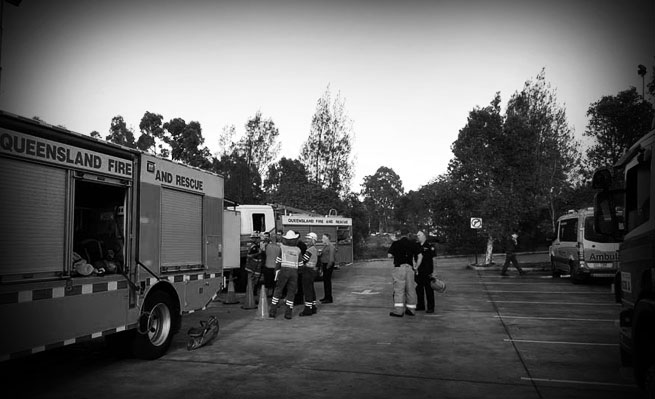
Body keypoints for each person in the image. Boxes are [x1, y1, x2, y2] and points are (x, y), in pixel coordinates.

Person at [387, 227, 421, 317]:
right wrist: (416, 266)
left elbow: (389, 255)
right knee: (411, 289)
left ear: (400, 234)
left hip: (399, 268)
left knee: (399, 290)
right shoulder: (412, 243)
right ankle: (411, 310)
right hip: (410, 268)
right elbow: (420, 255)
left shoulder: (396, 243)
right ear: (408, 234)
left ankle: (398, 311)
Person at [269, 230, 302, 320]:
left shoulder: (282, 248)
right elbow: (301, 264)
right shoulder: (298, 250)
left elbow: (278, 260)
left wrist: (276, 270)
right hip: (294, 273)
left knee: (278, 291)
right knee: (291, 293)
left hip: (284, 271)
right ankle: (288, 314)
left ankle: (272, 312)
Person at [415, 230, 436, 313]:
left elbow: (434, 259)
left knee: (429, 290)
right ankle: (421, 305)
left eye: (419, 235)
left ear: (424, 236)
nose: (417, 236)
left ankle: (430, 307)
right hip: (418, 271)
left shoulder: (430, 246)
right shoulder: (416, 246)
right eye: (417, 235)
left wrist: (435, 271)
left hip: (428, 271)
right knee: (419, 289)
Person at [300, 232, 319, 316]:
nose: (306, 240)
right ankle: (313, 307)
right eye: (306, 239)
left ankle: (308, 310)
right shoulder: (314, 249)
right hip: (312, 271)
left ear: (313, 240)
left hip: (307, 271)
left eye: (308, 239)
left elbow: (303, 260)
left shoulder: (309, 250)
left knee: (307, 290)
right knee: (311, 289)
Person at [245, 232, 264, 297]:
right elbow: (249, 256)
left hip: (254, 267)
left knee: (253, 282)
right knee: (251, 283)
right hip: (252, 267)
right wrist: (259, 253)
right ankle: (249, 297)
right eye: (258, 238)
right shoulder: (254, 247)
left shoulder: (256, 246)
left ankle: (250, 296)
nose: (260, 240)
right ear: (255, 239)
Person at [262, 231, 280, 298]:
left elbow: (264, 254)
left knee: (267, 284)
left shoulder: (267, 246)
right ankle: (274, 298)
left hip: (267, 267)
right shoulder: (279, 248)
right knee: (275, 284)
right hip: (276, 268)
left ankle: (265, 297)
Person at [319, 233, 336, 304]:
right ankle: (326, 297)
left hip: (328, 265)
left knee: (327, 282)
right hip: (325, 264)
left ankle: (329, 298)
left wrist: (328, 267)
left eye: (323, 238)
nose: (322, 239)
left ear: (327, 238)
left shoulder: (331, 246)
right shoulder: (325, 246)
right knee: (325, 282)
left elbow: (331, 258)